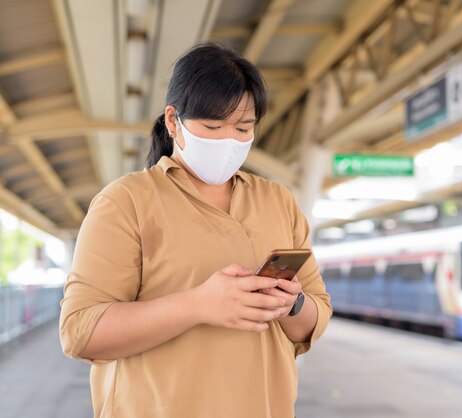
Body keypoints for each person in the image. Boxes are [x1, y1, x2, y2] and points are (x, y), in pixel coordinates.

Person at [59, 42, 332, 418]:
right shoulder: (126, 201)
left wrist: (291, 304)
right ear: (173, 121)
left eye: (242, 128)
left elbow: (315, 318)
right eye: (213, 126)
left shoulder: (278, 201)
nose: (229, 141)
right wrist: (199, 305)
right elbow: (80, 330)